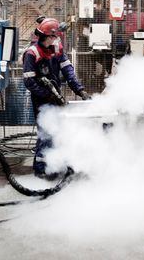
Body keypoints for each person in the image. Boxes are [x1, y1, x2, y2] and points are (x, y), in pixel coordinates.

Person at [23, 18, 90, 178]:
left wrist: (80, 90)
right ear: (48, 36)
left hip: (55, 95)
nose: (57, 39)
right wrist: (47, 95)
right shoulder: (32, 54)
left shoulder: (57, 48)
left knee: (59, 130)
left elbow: (68, 71)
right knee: (46, 131)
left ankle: (55, 163)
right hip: (41, 99)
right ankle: (41, 168)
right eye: (55, 36)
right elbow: (29, 82)